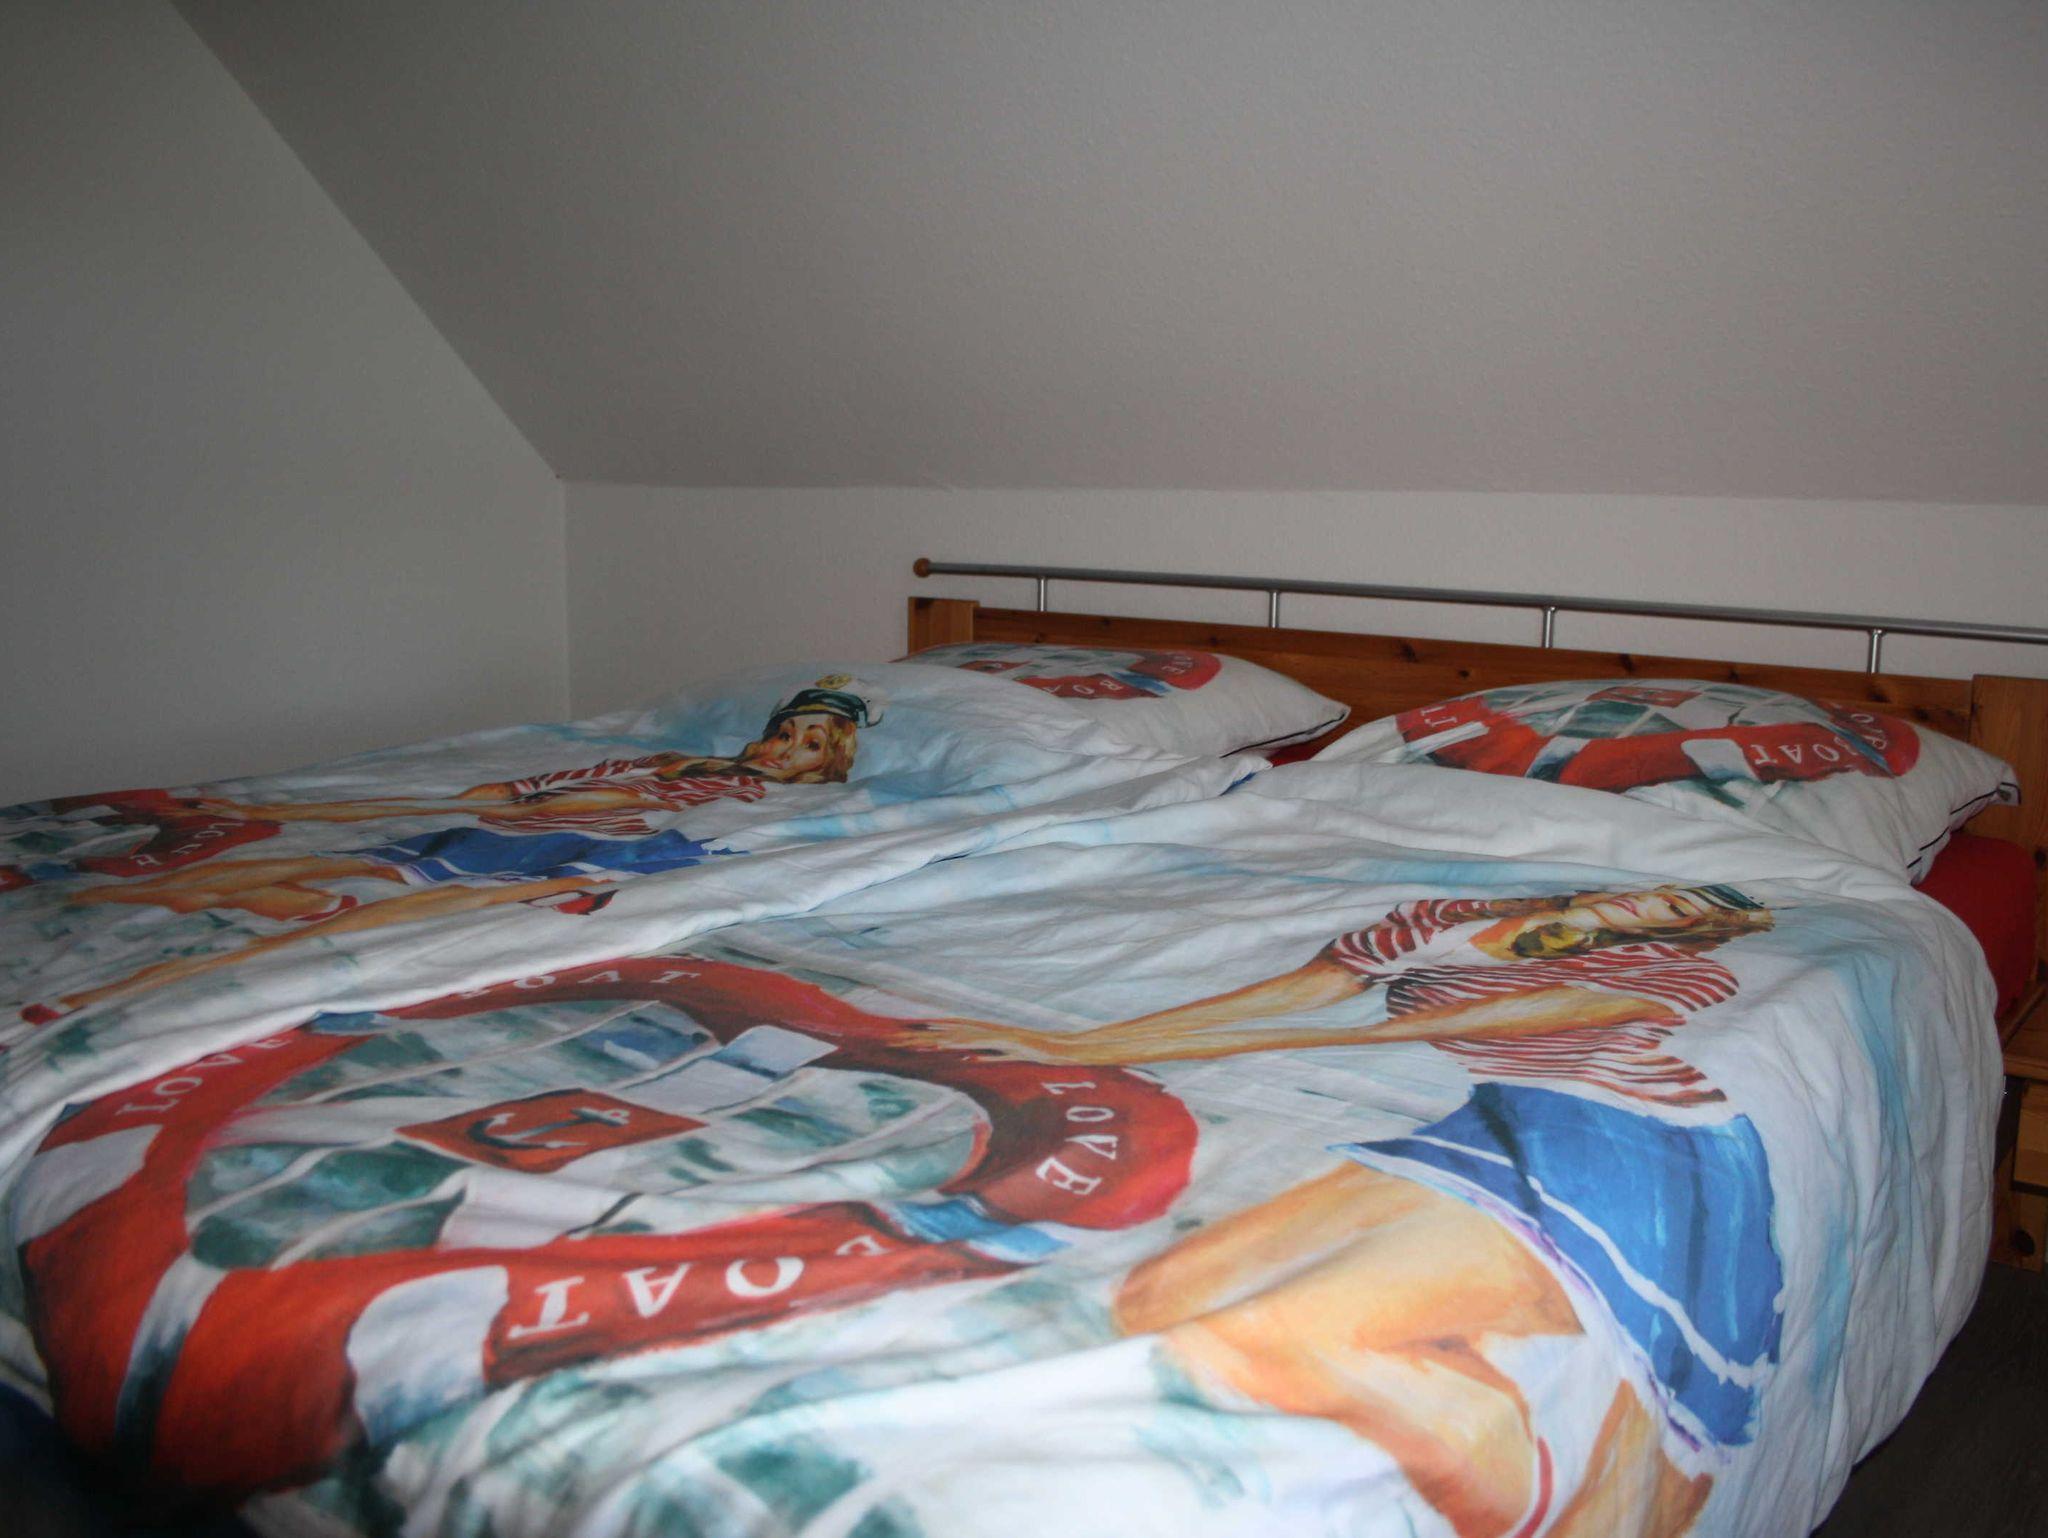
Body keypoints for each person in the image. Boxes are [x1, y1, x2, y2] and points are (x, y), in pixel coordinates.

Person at [912, 886, 1782, 1538]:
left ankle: (1588, 1480)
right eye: (1665, 894)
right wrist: (1080, 1045)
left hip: (1627, 1133)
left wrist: (1080, 1047)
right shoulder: (1439, 919)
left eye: (1681, 910)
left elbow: (1385, 1030)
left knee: (1268, 1327)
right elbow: (1297, 996)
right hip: (1492, 1120)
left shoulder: (1682, 971)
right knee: (1167, 1298)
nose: (1652, 907)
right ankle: (1585, 1470)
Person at [28, 681, 882, 1021]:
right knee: (279, 873)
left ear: (831, 763)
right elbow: (497, 795)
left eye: (810, 745)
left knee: (367, 918)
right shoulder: (667, 760)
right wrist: (284, 806)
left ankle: (127, 992)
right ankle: (72, 903)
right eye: (785, 730)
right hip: (512, 834)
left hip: (586, 858)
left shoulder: (784, 803)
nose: (785, 749)